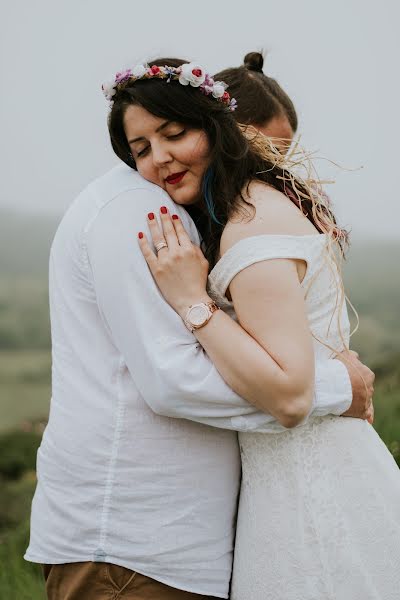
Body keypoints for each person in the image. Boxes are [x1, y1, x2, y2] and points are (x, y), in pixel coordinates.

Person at [24, 59, 374, 600]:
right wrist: (337, 388)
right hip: (132, 544)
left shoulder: (213, 216)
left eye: (174, 134)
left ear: (213, 125)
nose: (159, 158)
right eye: (141, 148)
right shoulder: (139, 218)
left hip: (179, 540)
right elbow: (174, 379)